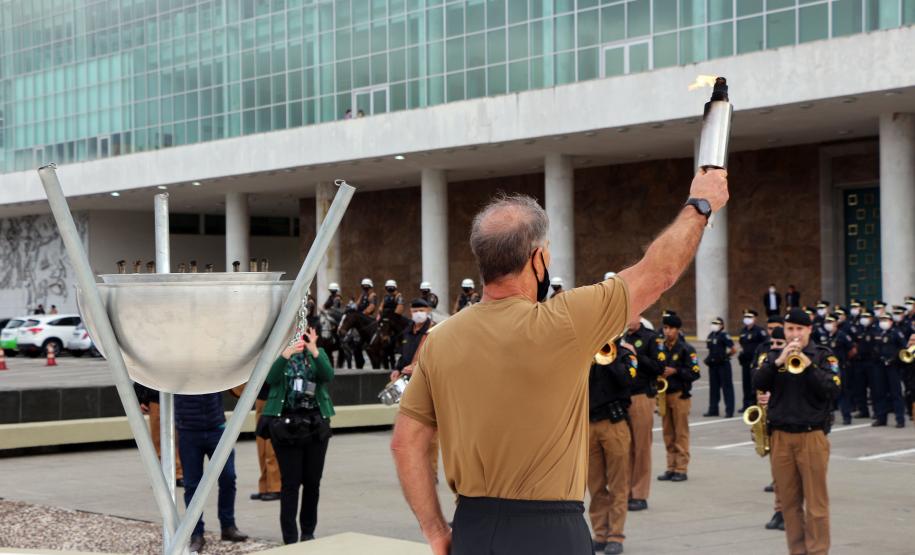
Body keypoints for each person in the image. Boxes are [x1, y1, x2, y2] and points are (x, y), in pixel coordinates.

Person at [391, 169, 728, 555]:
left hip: (473, 527)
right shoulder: (563, 320)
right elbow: (659, 271)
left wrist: (436, 530)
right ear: (539, 258)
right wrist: (700, 205)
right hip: (549, 531)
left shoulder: (440, 339)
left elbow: (405, 444)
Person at [753, 308, 840, 555]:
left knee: (816, 505)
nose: (794, 334)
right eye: (790, 329)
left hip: (811, 436)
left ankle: (818, 551)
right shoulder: (773, 356)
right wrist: (779, 361)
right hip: (780, 436)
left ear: (809, 330)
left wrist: (808, 365)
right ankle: (797, 551)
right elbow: (758, 382)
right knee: (789, 505)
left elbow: (832, 390)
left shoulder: (823, 356)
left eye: (799, 329)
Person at [262, 326, 335, 544]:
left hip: (314, 423)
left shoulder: (315, 354)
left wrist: (314, 349)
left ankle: (308, 531)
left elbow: (328, 375)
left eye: (302, 334)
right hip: (286, 425)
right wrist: (285, 354)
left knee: (313, 482)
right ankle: (290, 537)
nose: (299, 339)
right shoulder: (279, 354)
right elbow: (270, 379)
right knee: (290, 483)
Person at [175, 392, 249, 553]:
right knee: (192, 485)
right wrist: (143, 395)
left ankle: (228, 525)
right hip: (188, 429)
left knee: (228, 477)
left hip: (216, 427)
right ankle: (196, 533)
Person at [587, 339, 637, 555]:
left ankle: (616, 534)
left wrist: (611, 357)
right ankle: (600, 533)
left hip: (614, 424)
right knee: (595, 484)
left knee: (618, 483)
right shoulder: (585, 353)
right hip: (589, 424)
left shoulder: (626, 354)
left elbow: (627, 381)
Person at [623, 314, 665, 512]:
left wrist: (635, 354)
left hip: (641, 397)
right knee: (625, 448)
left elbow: (659, 367)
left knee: (641, 448)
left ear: (638, 315)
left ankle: (640, 494)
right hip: (623, 397)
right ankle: (626, 491)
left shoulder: (650, 338)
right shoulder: (621, 337)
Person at [390, 299, 437, 474]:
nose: (418, 313)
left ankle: (431, 471)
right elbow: (403, 356)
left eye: (421, 310)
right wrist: (396, 369)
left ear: (428, 310)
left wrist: (416, 366)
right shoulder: (407, 332)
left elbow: (436, 359)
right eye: (415, 310)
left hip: (427, 385)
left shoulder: (434, 332)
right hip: (407, 385)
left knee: (430, 433)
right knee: (408, 429)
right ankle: (413, 468)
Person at [656, 314, 701, 482]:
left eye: (671, 328)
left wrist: (676, 371)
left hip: (680, 395)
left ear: (678, 330)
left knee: (681, 433)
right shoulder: (660, 348)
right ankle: (670, 467)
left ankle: (681, 468)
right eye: (665, 328)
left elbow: (695, 373)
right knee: (668, 433)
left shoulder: (686, 349)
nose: (667, 332)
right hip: (664, 394)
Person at [133, 383, 184, 487]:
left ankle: (178, 474)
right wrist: (141, 399)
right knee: (158, 440)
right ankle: (161, 476)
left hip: (178, 397)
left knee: (178, 438)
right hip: (157, 399)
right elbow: (143, 374)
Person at [872, 312, 908, 428]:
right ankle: (881, 418)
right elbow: (874, 347)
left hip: (893, 366)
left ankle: (900, 419)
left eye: (886, 320)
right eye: (881, 320)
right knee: (880, 392)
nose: (883, 322)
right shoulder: (877, 332)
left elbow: (904, 348)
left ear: (891, 321)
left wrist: (895, 358)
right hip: (880, 365)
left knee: (895, 393)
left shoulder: (896, 333)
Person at [824, 314, 855, 425]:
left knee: (843, 393)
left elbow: (852, 349)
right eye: (826, 322)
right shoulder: (827, 336)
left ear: (836, 323)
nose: (828, 324)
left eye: (830, 322)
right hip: (829, 367)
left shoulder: (842, 335)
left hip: (840, 367)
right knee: (829, 392)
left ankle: (847, 416)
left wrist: (845, 360)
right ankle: (829, 415)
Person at [704, 316, 736, 417]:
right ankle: (713, 409)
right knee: (713, 388)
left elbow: (734, 349)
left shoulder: (724, 335)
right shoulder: (710, 335)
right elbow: (710, 350)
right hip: (713, 365)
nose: (714, 325)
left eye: (717, 324)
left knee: (727, 388)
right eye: (713, 323)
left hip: (723, 365)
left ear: (722, 326)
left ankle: (729, 411)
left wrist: (725, 356)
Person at [738, 309, 768, 412]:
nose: (747, 319)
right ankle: (746, 404)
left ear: (755, 318)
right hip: (745, 361)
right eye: (746, 317)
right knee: (745, 383)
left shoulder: (760, 331)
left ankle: (753, 403)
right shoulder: (743, 331)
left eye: (750, 317)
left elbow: (765, 344)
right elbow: (741, 344)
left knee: (754, 383)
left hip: (755, 360)